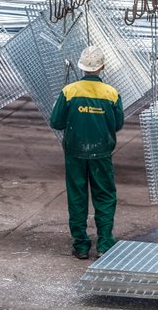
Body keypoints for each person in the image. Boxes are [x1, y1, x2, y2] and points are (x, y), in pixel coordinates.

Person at [50, 46, 124, 260]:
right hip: (101, 153)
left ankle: (81, 245)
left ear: (82, 66)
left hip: (75, 152)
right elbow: (117, 124)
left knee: (77, 197)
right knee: (105, 196)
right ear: (102, 67)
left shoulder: (69, 91)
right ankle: (104, 243)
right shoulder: (111, 93)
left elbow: (57, 122)